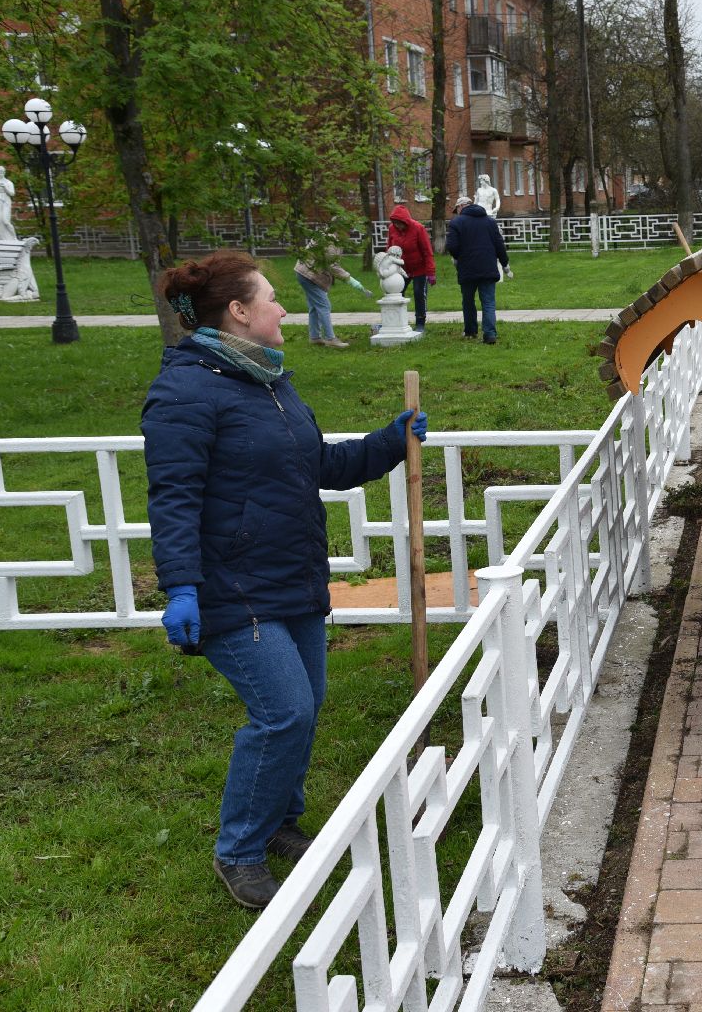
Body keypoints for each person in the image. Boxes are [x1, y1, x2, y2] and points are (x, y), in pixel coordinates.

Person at [141, 251, 426, 909]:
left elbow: (317, 464)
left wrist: (391, 440)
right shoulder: (186, 391)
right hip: (230, 589)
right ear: (239, 312)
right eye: (272, 298)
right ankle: (237, 849)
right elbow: (174, 496)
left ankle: (278, 822)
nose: (284, 308)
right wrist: (181, 586)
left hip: (293, 577)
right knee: (284, 712)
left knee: (306, 707)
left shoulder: (269, 381)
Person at [446, 194, 512, 344]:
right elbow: (499, 245)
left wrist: (458, 258)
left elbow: (452, 246)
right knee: (488, 302)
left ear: (461, 207)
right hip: (488, 267)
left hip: (467, 268)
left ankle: (470, 331)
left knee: (468, 301)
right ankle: (489, 334)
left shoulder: (457, 222)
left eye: (457, 209)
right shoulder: (489, 222)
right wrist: (505, 264)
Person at [293, 230, 369, 349]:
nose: (349, 234)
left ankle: (315, 337)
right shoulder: (330, 242)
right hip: (308, 275)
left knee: (314, 306)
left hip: (306, 273)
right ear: (339, 229)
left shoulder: (333, 240)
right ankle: (330, 338)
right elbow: (333, 266)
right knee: (324, 305)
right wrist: (351, 280)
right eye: (347, 232)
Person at [384, 204, 435, 334]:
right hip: (401, 268)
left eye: (399, 223)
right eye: (395, 223)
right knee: (396, 292)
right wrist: (387, 265)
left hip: (419, 268)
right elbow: (389, 248)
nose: (397, 226)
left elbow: (427, 251)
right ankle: (398, 321)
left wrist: (430, 272)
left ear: (405, 221)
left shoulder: (418, 228)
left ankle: (420, 322)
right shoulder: (392, 229)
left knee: (419, 294)